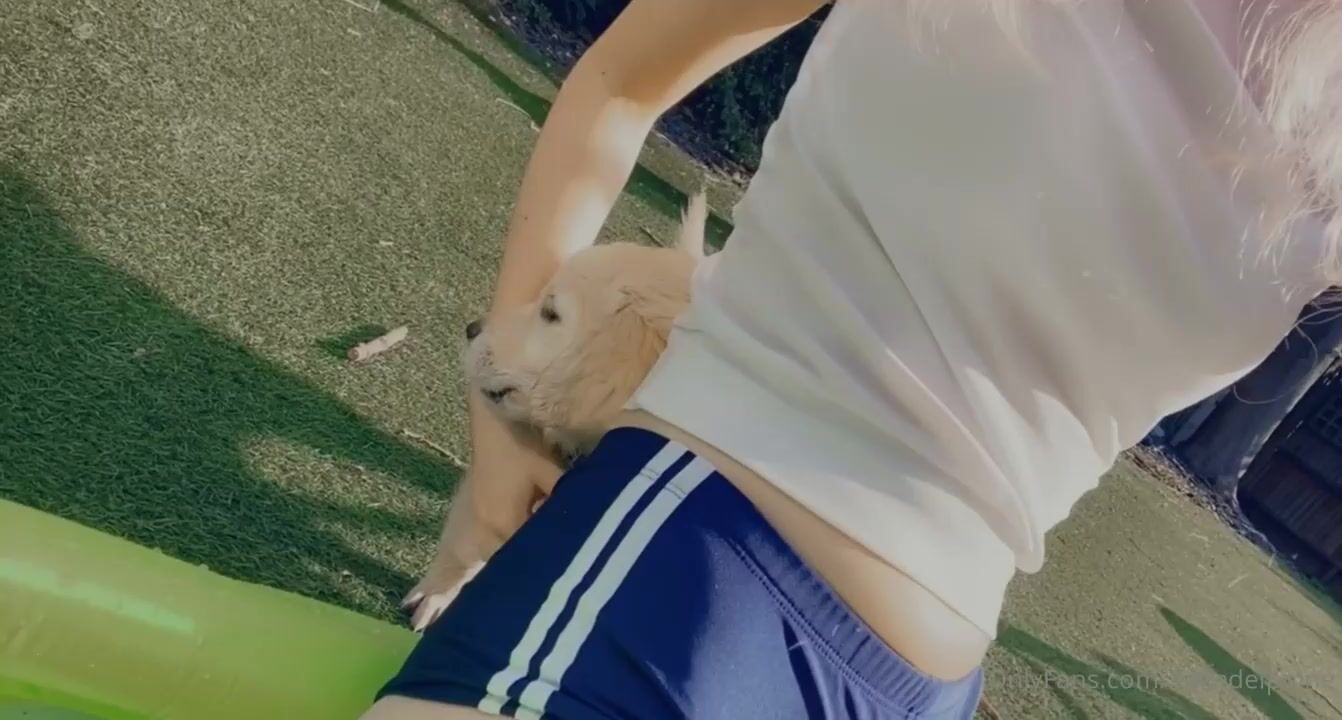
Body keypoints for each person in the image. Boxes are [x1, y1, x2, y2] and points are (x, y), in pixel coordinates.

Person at [363, 0, 1339, 717]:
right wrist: (504, 405)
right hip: (785, 629)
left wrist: (502, 417)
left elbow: (621, 86)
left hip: (793, 627)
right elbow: (620, 87)